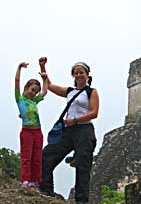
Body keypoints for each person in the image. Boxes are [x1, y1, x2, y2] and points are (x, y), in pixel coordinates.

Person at [38, 57, 99, 204]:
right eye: (76, 73)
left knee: (83, 165)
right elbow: (50, 86)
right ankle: (46, 190)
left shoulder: (91, 91)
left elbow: (94, 112)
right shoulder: (70, 91)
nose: (78, 75)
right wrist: (43, 68)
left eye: (81, 72)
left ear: (87, 74)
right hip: (68, 131)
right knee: (46, 155)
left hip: (84, 130)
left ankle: (81, 200)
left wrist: (76, 120)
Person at [14, 62, 48, 191]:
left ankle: (34, 182)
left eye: (36, 91)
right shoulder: (20, 99)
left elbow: (45, 91)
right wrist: (19, 68)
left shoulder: (34, 100)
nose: (34, 93)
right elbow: (16, 81)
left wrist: (44, 78)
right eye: (32, 90)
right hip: (27, 131)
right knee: (26, 157)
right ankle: (25, 181)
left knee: (37, 158)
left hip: (37, 131)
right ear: (26, 88)